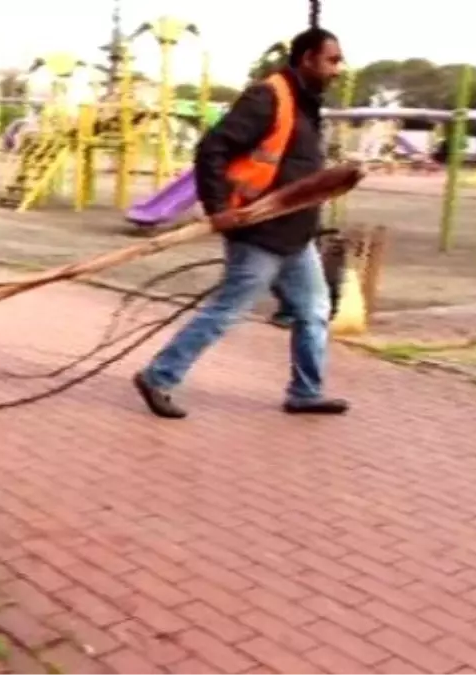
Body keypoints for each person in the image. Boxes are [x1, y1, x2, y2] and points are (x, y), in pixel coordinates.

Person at [132, 26, 348, 420]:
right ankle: (158, 376)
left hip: (295, 236)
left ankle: (306, 392)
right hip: (258, 232)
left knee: (314, 311)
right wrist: (218, 209)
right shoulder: (268, 96)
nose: (338, 69)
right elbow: (212, 148)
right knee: (227, 312)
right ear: (307, 59)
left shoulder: (307, 103)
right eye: (332, 60)